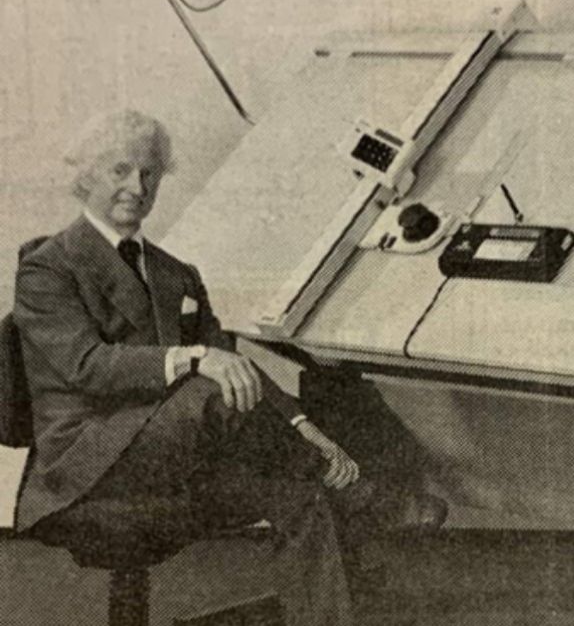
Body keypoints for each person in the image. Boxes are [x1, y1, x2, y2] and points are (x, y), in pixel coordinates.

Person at [13, 110, 442, 624]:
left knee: (300, 488)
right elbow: (87, 365)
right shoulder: (47, 266)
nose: (138, 187)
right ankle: (364, 494)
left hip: (179, 450)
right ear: (86, 176)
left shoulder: (177, 273)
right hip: (91, 463)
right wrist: (194, 357)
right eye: (120, 170)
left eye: (149, 173)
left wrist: (302, 423)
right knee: (210, 392)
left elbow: (232, 363)